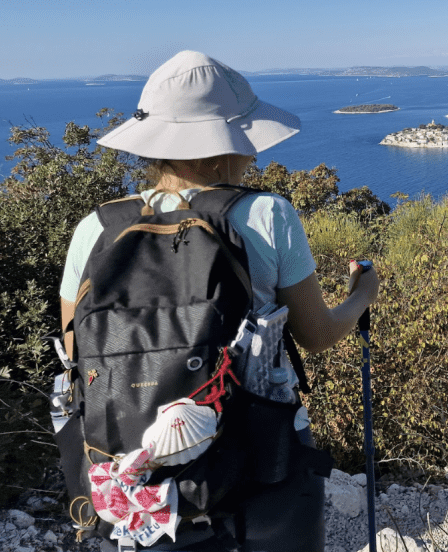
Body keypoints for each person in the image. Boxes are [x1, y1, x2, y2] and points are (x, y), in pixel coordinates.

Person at [59, 50, 379, 552]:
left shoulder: (95, 228)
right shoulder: (268, 214)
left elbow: (75, 349)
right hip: (261, 452)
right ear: (221, 149)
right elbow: (316, 335)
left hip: (133, 466)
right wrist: (361, 296)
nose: (253, 154)